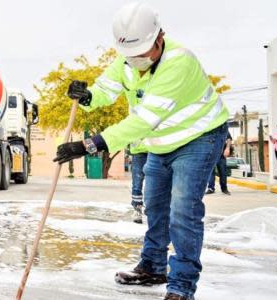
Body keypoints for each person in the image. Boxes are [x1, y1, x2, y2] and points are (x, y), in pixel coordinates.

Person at [53, 3, 229, 299]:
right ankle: (153, 266)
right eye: (131, 55)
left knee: (183, 209)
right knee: (155, 205)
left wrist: (89, 145)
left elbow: (143, 120)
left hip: (200, 137)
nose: (136, 60)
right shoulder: (127, 60)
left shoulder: (178, 62)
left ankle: (182, 286)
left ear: (160, 37)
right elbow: (106, 89)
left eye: (143, 53)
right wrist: (87, 96)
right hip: (161, 142)